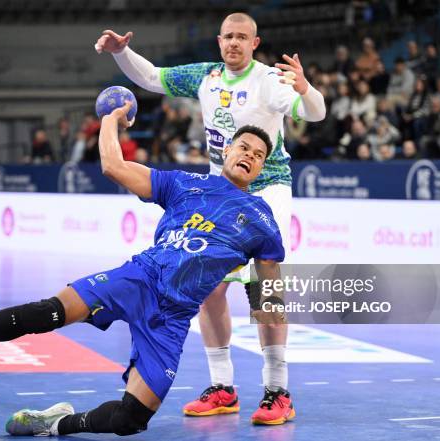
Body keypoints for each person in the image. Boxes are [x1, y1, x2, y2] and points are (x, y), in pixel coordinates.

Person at [0, 102, 287, 436]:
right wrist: (109, 119)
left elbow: (269, 289)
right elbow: (112, 165)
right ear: (228, 149)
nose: (249, 155)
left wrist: (272, 343)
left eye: (258, 155)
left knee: (132, 420)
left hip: (172, 317)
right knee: (50, 312)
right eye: (244, 146)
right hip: (139, 279)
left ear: (262, 169)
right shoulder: (184, 183)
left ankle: (54, 424)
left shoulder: (261, 220)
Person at [95, 11, 325, 425]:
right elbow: (151, 78)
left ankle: (278, 390)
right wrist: (122, 52)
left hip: (267, 189)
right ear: (219, 41)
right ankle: (222, 387)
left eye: (242, 38)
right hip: (219, 187)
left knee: (263, 285)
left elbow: (316, 113)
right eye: (228, 37)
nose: (234, 43)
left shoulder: (269, 81)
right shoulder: (206, 76)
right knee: (210, 285)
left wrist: (306, 90)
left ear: (255, 43)